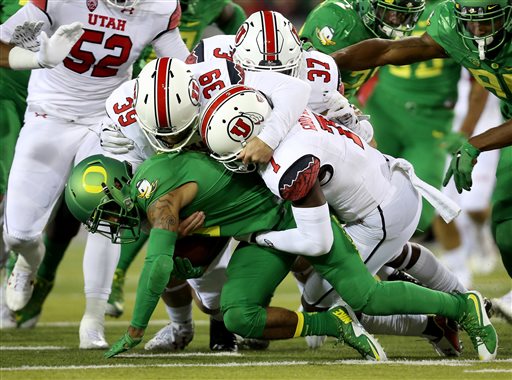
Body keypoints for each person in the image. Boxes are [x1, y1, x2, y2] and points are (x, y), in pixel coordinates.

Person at [64, 152, 498, 361]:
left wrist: (136, 330)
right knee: (237, 315)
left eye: (103, 213)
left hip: (296, 217)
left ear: (119, 189)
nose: (108, 224)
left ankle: (463, 306)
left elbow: (158, 265)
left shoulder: (157, 198)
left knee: (367, 296)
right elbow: (186, 260)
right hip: (262, 235)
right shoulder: (156, 187)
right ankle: (334, 323)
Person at [0, 0, 189, 349]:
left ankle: (94, 318)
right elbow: (2, 44)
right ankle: (27, 261)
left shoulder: (160, 7)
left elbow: (182, 70)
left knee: (108, 214)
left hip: (107, 121)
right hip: (49, 113)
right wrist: (38, 59)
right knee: (18, 235)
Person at [330, 0, 512, 313]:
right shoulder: (449, 25)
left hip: (438, 122)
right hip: (399, 113)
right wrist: (327, 62)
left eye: (488, 21)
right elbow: (390, 51)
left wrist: (473, 142)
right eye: (471, 20)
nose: (479, 30)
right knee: (506, 228)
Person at [298, 0, 426, 98]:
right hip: (310, 99)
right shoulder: (338, 17)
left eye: (403, 16)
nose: (395, 20)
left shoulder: (378, 27)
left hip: (340, 98)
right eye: (390, 12)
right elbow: (309, 72)